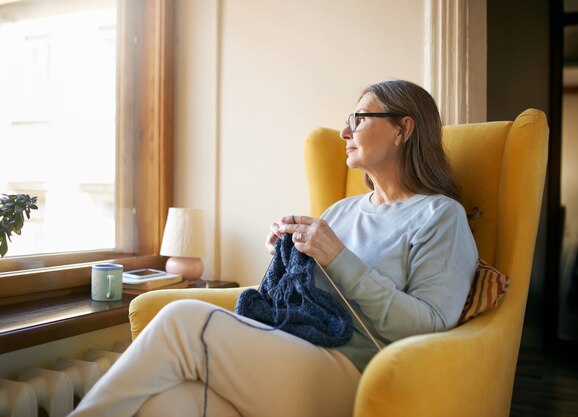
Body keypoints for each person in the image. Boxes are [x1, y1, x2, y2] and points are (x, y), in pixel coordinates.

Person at [69, 80, 478, 417]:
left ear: (402, 129)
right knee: (166, 405)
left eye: (359, 117)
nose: (345, 132)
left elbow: (430, 325)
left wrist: (336, 256)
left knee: (182, 320)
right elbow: (307, 295)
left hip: (358, 374)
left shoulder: (440, 217)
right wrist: (287, 252)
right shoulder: (342, 210)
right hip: (296, 352)